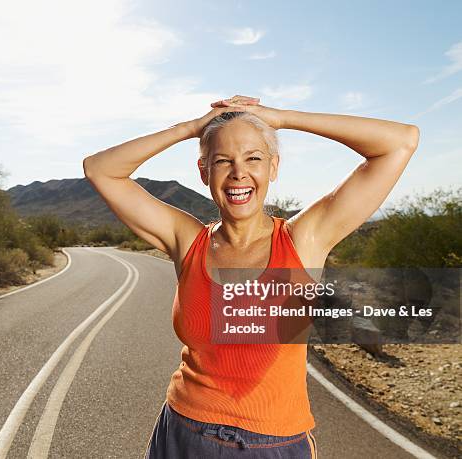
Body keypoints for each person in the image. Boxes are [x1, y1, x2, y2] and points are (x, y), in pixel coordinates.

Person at [82, 95, 420, 458]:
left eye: (253, 158)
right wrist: (191, 128)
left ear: (273, 168)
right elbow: (100, 169)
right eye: (222, 161)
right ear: (204, 172)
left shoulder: (303, 240)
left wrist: (281, 118)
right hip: (181, 433)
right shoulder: (187, 241)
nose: (238, 173)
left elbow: (400, 141)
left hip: (272, 445)